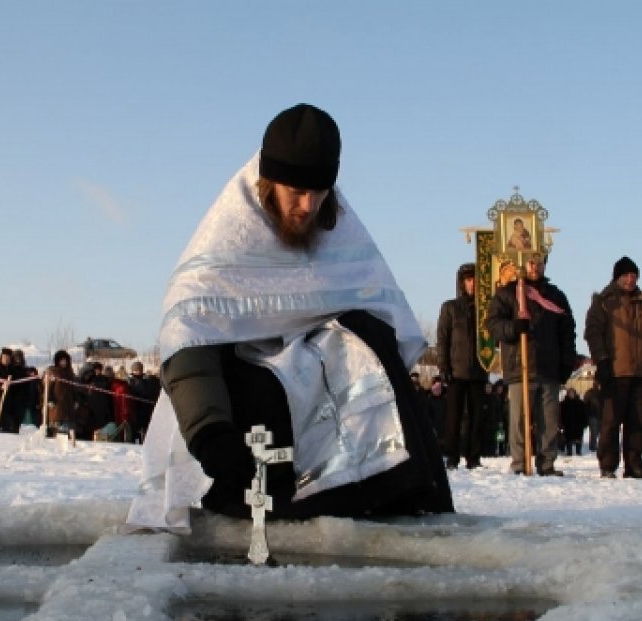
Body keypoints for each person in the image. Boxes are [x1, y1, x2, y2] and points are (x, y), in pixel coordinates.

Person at [128, 103, 452, 530]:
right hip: (245, 405)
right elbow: (191, 341)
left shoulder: (339, 234)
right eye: (295, 191)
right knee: (272, 385)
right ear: (268, 183)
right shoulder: (226, 242)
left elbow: (387, 321)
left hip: (320, 384)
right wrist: (211, 434)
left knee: (369, 333)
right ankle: (281, 502)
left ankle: (394, 492)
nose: (307, 205)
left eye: (318, 192)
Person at [486, 251, 576, 476]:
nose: (535, 267)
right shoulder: (508, 294)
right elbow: (493, 323)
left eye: (539, 262)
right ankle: (519, 462)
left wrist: (566, 363)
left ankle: (546, 463)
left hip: (549, 367)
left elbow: (567, 332)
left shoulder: (556, 296)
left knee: (549, 420)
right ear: (522, 263)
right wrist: (514, 328)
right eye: (531, 262)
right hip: (520, 366)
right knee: (518, 420)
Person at [584, 256, 642, 478]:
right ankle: (608, 464)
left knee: (638, 421)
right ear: (617, 277)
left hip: (639, 370)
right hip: (615, 370)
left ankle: (634, 463)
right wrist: (601, 359)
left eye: (633, 276)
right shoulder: (604, 301)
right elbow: (593, 332)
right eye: (626, 275)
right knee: (611, 421)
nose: (630, 280)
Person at [436, 263, 489, 469]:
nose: (473, 283)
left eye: (475, 278)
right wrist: (443, 367)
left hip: (478, 370)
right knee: (453, 417)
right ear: (462, 282)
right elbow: (442, 338)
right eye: (468, 279)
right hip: (456, 371)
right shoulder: (450, 307)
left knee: (477, 418)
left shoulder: (485, 309)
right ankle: (452, 456)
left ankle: (474, 457)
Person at [45, 350, 78, 437]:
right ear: (57, 361)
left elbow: (74, 389)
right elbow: (47, 388)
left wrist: (76, 400)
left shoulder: (71, 374)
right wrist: (49, 399)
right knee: (59, 434)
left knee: (69, 434)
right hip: (57, 408)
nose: (64, 363)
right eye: (62, 361)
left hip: (69, 408)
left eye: (65, 361)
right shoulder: (52, 372)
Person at [560, 388, 588, 455]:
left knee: (578, 439)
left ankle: (578, 452)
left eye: (572, 393)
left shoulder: (580, 403)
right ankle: (569, 452)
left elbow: (585, 413)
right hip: (568, 424)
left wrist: (585, 423)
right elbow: (561, 414)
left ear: (575, 394)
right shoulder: (564, 403)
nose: (571, 394)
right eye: (570, 393)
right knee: (568, 439)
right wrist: (561, 423)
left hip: (578, 424)